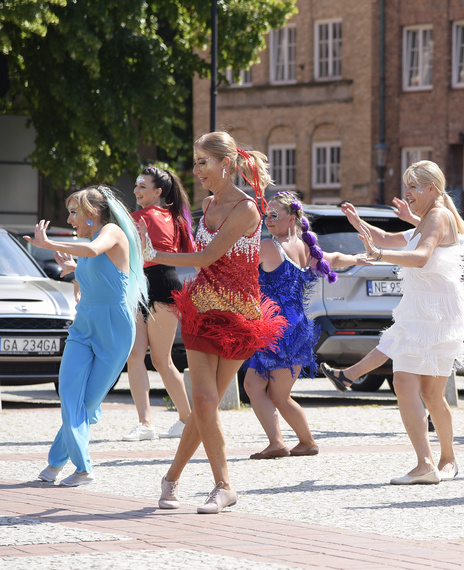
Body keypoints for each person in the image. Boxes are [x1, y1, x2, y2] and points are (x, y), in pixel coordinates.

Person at [143, 132, 288, 514]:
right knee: (205, 402)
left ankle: (170, 478)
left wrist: (154, 254)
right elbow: (195, 256)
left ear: (226, 164)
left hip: (240, 317)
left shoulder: (247, 209)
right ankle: (224, 486)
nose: (196, 170)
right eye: (195, 162)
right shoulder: (207, 204)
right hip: (201, 310)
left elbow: (207, 257)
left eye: (202, 162)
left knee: (206, 408)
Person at [322, 160, 464, 484]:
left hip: (434, 316)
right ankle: (433, 462)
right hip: (424, 313)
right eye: (406, 185)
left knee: (428, 391)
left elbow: (420, 257)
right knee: (416, 387)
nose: (407, 192)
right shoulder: (428, 219)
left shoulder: (437, 216)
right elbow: (386, 238)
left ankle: (441, 461)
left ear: (431, 189)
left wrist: (378, 254)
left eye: (413, 186)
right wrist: (359, 224)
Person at [28, 186, 147, 487]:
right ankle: (81, 468)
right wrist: (74, 269)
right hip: (83, 326)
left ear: (92, 212)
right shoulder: (89, 242)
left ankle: (58, 465)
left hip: (114, 329)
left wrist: (48, 243)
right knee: (69, 396)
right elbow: (93, 265)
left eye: (73, 212)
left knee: (86, 402)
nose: (70, 220)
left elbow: (94, 252)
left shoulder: (111, 232)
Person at [243, 191, 359, 459]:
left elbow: (238, 267)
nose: (268, 220)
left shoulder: (269, 247)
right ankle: (306, 442)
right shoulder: (308, 249)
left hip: (274, 327)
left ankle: (277, 443)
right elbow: (334, 258)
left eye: (274, 215)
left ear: (292, 218)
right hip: (299, 328)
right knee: (279, 395)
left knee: (253, 386)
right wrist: (357, 258)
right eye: (267, 215)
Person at [123, 166, 194, 441]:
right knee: (139, 356)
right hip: (153, 283)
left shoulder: (139, 218)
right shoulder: (175, 218)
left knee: (158, 359)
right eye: (136, 185)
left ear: (158, 192)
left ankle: (185, 420)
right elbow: (190, 253)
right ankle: (149, 424)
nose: (136, 190)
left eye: (142, 186)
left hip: (157, 284)